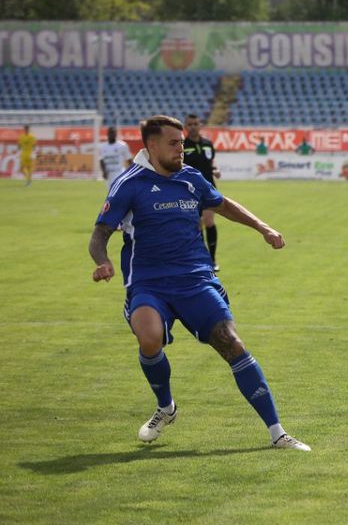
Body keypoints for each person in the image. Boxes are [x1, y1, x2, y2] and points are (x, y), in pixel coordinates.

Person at [89, 115, 309, 451]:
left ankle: (278, 433)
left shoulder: (191, 178)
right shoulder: (128, 184)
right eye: (174, 143)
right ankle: (166, 407)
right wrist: (102, 261)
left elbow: (224, 206)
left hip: (195, 279)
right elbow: (99, 234)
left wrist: (263, 228)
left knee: (232, 344)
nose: (181, 149)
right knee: (150, 339)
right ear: (151, 145)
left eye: (181, 142)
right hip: (148, 283)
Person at [182, 114, 221, 271]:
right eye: (190, 124)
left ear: (200, 125)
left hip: (209, 189)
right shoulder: (182, 145)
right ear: (185, 127)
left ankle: (212, 260)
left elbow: (211, 161)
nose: (193, 126)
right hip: (190, 191)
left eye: (195, 124)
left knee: (209, 221)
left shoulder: (207, 144)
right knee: (197, 226)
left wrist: (215, 169)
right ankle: (201, 259)